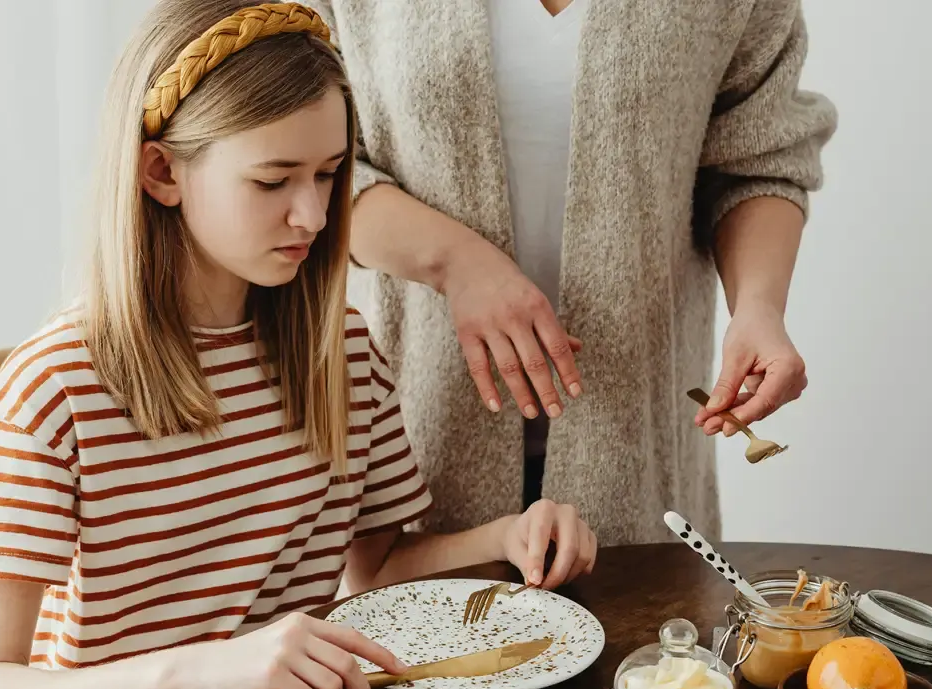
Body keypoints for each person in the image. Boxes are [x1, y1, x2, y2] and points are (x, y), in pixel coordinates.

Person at [0, 3, 598, 689]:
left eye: (328, 174)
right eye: (272, 180)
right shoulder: (54, 389)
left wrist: (507, 537)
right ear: (161, 173)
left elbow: (375, 572)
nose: (313, 215)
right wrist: (200, 672)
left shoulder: (341, 352)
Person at [305, 0, 837, 544]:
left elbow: (758, 158)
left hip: (636, 454)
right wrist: (456, 262)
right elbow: (304, 167)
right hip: (420, 436)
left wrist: (758, 307)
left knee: (650, 627)